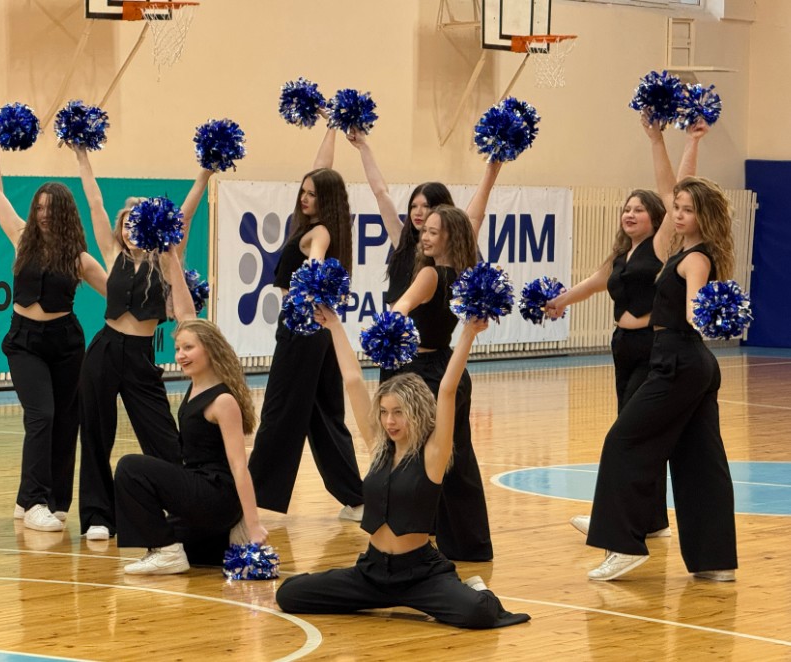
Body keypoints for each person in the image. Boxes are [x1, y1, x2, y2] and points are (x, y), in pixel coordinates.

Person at [277, 306, 529, 629]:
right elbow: (353, 381)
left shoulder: (434, 454)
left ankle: (476, 589)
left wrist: (467, 334)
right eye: (384, 412)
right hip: (371, 573)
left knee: (477, 613)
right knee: (289, 594)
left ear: (417, 412)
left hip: (420, 575)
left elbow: (447, 390)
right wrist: (334, 325)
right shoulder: (379, 448)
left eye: (398, 412)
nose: (389, 421)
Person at [548, 117, 710, 540]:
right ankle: (651, 520)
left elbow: (678, 189)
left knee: (630, 435)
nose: (630, 213)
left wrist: (673, 141)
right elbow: (593, 283)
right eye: (626, 209)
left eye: (639, 209)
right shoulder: (622, 256)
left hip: (652, 347)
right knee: (635, 431)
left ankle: (618, 519)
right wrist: (558, 302)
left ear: (657, 217)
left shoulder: (662, 246)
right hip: (622, 346)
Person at [584, 173, 738, 582]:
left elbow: (693, 312)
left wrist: (708, 315)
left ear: (705, 216)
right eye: (678, 208)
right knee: (699, 459)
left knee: (623, 441)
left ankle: (623, 544)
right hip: (688, 362)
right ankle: (715, 561)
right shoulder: (681, 251)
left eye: (689, 210)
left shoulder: (696, 258)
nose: (680, 214)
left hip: (679, 360)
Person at [73, 145, 213, 541]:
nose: (130, 230)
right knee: (95, 434)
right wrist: (82, 156)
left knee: (164, 438)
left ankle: (183, 507)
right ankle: (98, 516)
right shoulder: (111, 253)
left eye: (138, 224)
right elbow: (95, 201)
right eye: (126, 224)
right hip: (103, 351)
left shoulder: (165, 259)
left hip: (140, 356)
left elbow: (186, 215)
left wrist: (204, 174)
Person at [114, 249, 267, 573]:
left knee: (130, 467)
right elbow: (186, 314)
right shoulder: (197, 383)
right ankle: (190, 546)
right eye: (177, 348)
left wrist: (254, 526)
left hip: (216, 495)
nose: (180, 355)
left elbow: (239, 467)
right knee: (190, 549)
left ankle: (169, 551)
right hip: (200, 491)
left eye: (188, 348)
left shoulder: (222, 400)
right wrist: (170, 256)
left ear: (209, 350)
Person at [0, 130, 106, 532]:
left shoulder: (80, 258)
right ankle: (35, 500)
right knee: (42, 415)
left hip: (66, 343)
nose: (43, 214)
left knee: (66, 421)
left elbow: (118, 295)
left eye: (50, 209)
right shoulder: (21, 238)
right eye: (39, 207)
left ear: (65, 213)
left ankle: (49, 500)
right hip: (25, 342)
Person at [247, 127, 363, 517]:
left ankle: (250, 499)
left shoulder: (321, 233)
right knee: (325, 416)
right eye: (303, 191)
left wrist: (311, 277)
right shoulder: (319, 224)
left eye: (312, 194)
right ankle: (356, 498)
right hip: (318, 333)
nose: (304, 197)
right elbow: (321, 168)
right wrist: (331, 129)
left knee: (278, 412)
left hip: (301, 329)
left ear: (325, 199)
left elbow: (317, 256)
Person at [385, 203, 495, 561]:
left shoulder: (430, 275)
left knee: (422, 457)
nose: (425, 237)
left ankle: (412, 535)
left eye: (434, 232)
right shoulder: (463, 274)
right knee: (459, 458)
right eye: (424, 231)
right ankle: (471, 544)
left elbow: (400, 306)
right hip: (451, 368)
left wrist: (389, 327)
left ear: (450, 237)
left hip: (427, 374)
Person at [345, 129, 500, 304]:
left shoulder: (449, 249)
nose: (417, 212)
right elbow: (380, 193)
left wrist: (492, 168)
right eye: (413, 206)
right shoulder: (402, 240)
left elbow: (473, 218)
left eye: (426, 206)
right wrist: (363, 146)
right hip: (394, 321)